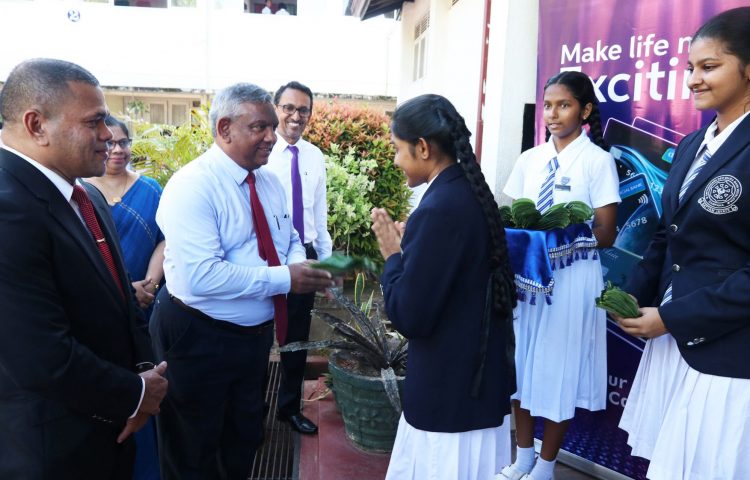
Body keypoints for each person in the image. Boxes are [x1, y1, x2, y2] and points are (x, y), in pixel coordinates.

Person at [151, 82, 334, 479]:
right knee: (194, 448)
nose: (272, 137)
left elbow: (291, 240)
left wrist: (299, 266)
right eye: (259, 128)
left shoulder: (268, 182)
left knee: (244, 436)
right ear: (224, 128)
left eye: (272, 127)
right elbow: (202, 276)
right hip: (198, 336)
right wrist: (287, 278)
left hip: (252, 341)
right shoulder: (192, 186)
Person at [0, 58, 168, 480]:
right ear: (37, 125)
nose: (109, 135)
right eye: (94, 122)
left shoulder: (85, 196)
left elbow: (119, 301)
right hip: (54, 448)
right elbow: (42, 357)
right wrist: (136, 394)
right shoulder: (8, 209)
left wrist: (143, 375)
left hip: (111, 431)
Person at [616, 7, 750, 479]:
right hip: (675, 344)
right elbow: (667, 232)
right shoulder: (694, 144)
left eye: (709, 66)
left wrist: (672, 318)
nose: (693, 79)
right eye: (690, 67)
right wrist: (632, 293)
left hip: (728, 356)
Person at [371, 94, 517, 480]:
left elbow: (410, 316)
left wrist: (392, 255)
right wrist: (412, 251)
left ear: (423, 147)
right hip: (475, 388)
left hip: (449, 398)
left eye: (397, 149)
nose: (395, 160)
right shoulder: (468, 194)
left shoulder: (438, 209)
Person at [499, 71, 619, 480]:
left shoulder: (598, 161)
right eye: (548, 105)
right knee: (521, 365)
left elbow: (606, 232)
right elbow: (512, 218)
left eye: (564, 105)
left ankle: (546, 466)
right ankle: (523, 458)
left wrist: (561, 239)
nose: (552, 113)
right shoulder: (529, 159)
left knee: (558, 369)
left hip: (571, 280)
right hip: (529, 281)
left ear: (584, 111)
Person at [85, 115, 165, 480]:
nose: (116, 150)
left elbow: (165, 239)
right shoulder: (80, 193)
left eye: (123, 142)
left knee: (146, 379)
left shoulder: (150, 189)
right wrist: (123, 292)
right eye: (109, 142)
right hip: (100, 310)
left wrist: (150, 283)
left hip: (147, 307)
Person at [267, 81, 332, 435]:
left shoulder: (314, 156)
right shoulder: (261, 152)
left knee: (296, 336)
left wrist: (325, 262)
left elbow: (318, 214)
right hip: (266, 255)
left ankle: (289, 408)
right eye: (288, 108)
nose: (296, 116)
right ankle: (252, 412)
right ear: (276, 108)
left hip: (304, 255)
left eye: (303, 110)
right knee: (259, 334)